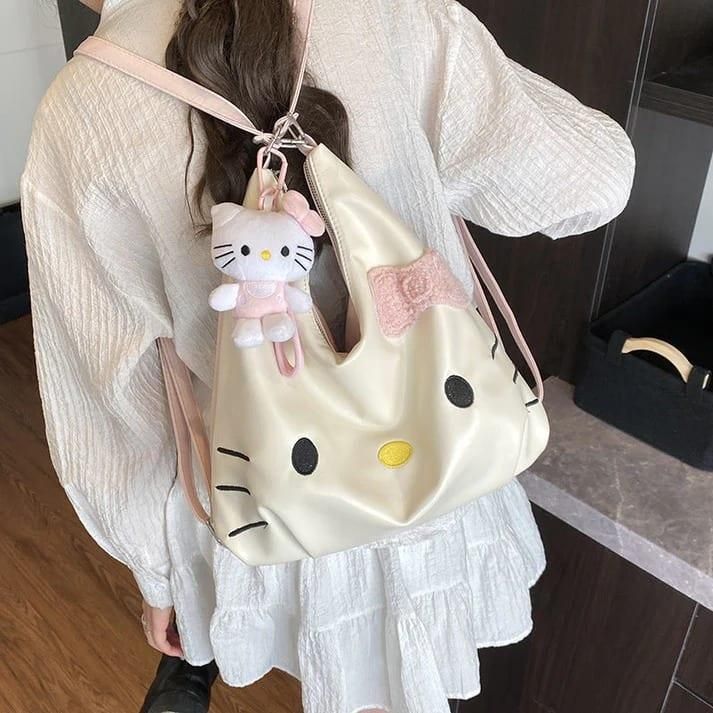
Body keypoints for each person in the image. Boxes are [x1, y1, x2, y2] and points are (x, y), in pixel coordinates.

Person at [22, 0, 635, 712]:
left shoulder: (77, 114)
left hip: (277, 497)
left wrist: (158, 573)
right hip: (444, 447)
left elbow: (108, 400)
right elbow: (594, 179)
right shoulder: (385, 10)